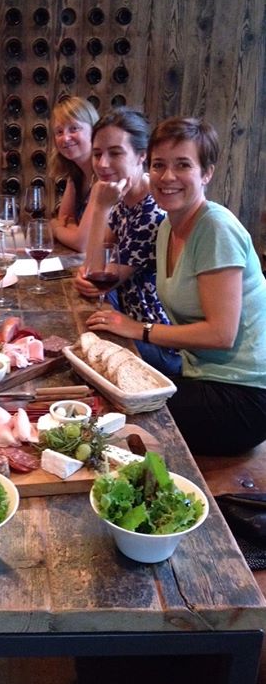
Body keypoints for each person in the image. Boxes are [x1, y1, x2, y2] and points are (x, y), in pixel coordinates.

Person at [86, 116, 266, 456]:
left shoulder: (215, 228)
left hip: (245, 395)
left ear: (207, 172)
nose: (167, 177)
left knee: (112, 421)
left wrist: (138, 329)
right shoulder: (169, 226)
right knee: (98, 391)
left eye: (183, 165)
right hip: (197, 374)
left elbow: (221, 334)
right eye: (159, 165)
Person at [74, 108, 181, 375]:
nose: (102, 163)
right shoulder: (124, 195)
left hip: (158, 342)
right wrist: (89, 273)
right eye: (97, 154)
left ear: (142, 155)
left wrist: (100, 207)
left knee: (76, 350)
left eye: (115, 153)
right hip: (126, 317)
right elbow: (96, 265)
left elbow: (96, 278)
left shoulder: (152, 213)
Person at [48, 95, 99, 248]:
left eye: (74, 128)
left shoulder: (104, 175)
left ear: (94, 131)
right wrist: (68, 227)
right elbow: (64, 218)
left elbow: (81, 243)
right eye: (59, 132)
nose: (65, 138)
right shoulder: (76, 174)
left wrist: (56, 228)